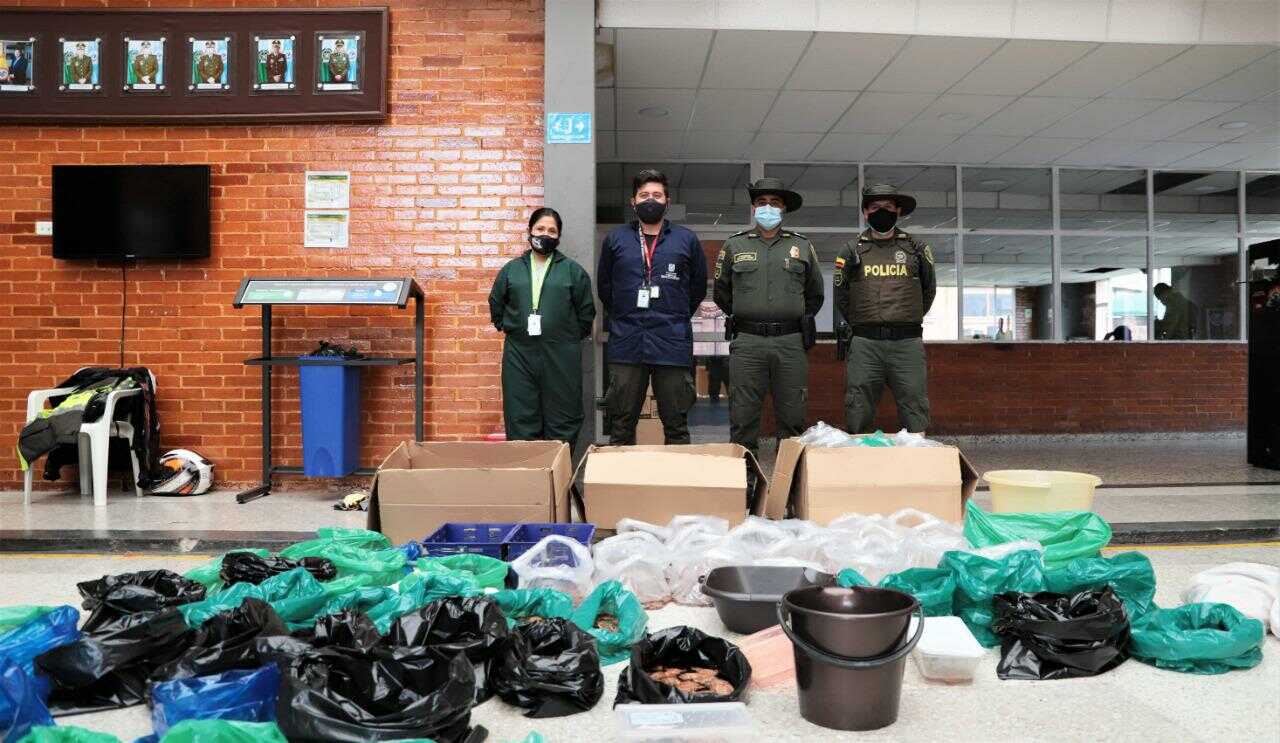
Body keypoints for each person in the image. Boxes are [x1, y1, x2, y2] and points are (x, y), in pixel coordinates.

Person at [714, 177, 823, 456]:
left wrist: (791, 316)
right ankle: (746, 474)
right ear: (753, 209)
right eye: (761, 202)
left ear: (784, 209)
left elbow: (815, 294)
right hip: (748, 342)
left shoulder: (801, 245)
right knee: (743, 414)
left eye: (775, 203)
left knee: (793, 414)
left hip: (790, 342)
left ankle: (789, 476)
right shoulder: (734, 245)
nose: (768, 208)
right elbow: (721, 293)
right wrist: (749, 313)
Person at [598, 169, 707, 444]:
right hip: (627, 341)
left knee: (677, 426)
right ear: (633, 201)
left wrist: (674, 314)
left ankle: (674, 474)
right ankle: (618, 474)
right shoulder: (615, 239)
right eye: (644, 195)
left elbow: (696, 289)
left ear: (667, 202)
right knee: (620, 426)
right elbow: (605, 288)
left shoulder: (686, 239)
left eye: (657, 195)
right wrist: (626, 314)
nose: (650, 200)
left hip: (671, 342)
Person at [834, 183, 937, 434]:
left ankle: (917, 457)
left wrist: (904, 318)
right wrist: (864, 321)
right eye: (875, 207)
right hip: (865, 344)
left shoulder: (916, 248)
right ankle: (859, 457)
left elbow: (928, 291)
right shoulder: (851, 250)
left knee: (915, 405)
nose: (882, 211)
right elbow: (842, 295)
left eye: (888, 207)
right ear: (865, 212)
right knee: (858, 407)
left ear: (898, 211)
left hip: (907, 343)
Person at [488, 208, 595, 444]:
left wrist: (564, 336)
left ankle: (559, 468)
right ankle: (529, 468)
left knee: (564, 416)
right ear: (530, 231)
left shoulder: (573, 271)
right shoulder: (512, 270)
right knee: (520, 415)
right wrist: (512, 327)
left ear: (558, 237)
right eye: (540, 229)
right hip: (519, 353)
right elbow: (496, 304)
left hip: (562, 354)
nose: (545, 234)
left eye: (551, 231)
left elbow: (586, 314)